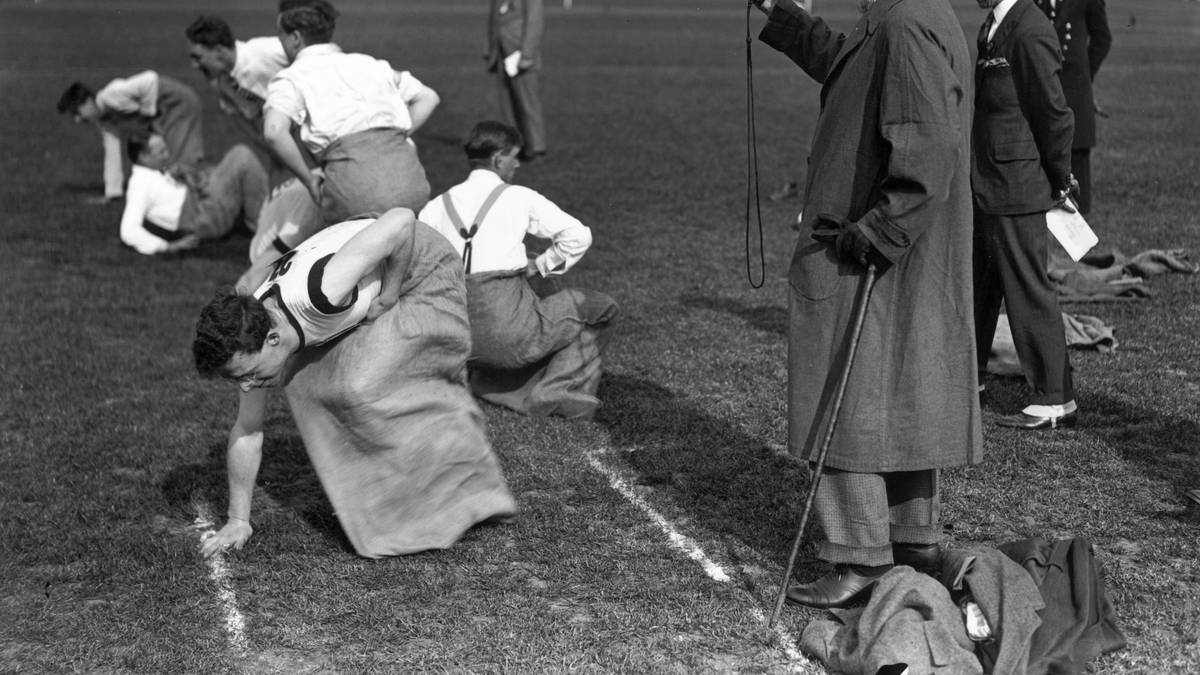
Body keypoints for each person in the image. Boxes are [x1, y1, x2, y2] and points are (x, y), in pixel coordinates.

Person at [751, 0, 981, 609]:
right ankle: (910, 540)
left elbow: (927, 148)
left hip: (878, 254)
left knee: (849, 397)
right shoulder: (905, 13)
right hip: (903, 257)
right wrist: (786, 14)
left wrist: (878, 231)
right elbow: (849, 70)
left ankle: (861, 556)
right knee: (894, 392)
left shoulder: (905, 21)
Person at [193, 208, 516, 558]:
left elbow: (401, 221)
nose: (247, 385)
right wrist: (238, 519)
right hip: (371, 266)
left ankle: (464, 487)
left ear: (272, 339)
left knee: (363, 384)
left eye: (248, 374)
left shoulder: (320, 292)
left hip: (421, 266)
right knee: (307, 387)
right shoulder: (253, 328)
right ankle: (389, 492)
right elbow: (247, 428)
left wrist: (390, 293)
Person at [420, 121, 618, 419]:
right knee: (600, 308)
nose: (518, 165)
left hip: (454, 341)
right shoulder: (519, 196)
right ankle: (555, 392)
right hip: (507, 336)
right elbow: (578, 236)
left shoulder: (435, 206)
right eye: (515, 157)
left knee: (531, 274)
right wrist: (540, 266)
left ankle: (489, 380)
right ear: (499, 158)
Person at [973, 0, 1079, 429]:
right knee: (979, 287)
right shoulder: (995, 24)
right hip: (988, 183)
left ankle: (1055, 397)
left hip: (1017, 185)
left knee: (1028, 288)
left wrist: (1058, 179)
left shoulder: (1030, 28)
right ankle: (969, 378)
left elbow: (1054, 114)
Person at [264, 0, 439, 223]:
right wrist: (396, 137)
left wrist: (309, 181)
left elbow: (273, 131)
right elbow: (428, 97)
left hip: (354, 194)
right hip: (412, 186)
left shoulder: (291, 78)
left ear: (295, 38)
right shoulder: (369, 63)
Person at [57, 72, 204, 203]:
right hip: (166, 111)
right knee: (173, 157)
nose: (77, 119)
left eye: (77, 112)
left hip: (178, 102)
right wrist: (112, 192)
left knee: (181, 156)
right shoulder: (103, 120)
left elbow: (149, 79)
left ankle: (198, 197)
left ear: (88, 102)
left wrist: (149, 114)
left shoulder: (110, 96)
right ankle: (190, 196)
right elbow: (112, 152)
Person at [184, 15, 292, 183]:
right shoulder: (223, 83)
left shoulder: (264, 52)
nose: (195, 65)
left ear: (219, 51)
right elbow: (244, 120)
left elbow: (318, 58)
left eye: (198, 57)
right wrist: (274, 151)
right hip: (289, 152)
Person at [118, 134, 267, 255]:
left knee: (235, 158)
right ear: (144, 157)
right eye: (161, 152)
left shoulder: (153, 172)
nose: (167, 155)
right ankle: (263, 228)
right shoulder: (139, 185)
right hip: (202, 217)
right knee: (242, 156)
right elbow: (128, 230)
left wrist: (183, 176)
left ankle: (263, 218)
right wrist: (167, 247)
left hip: (202, 202)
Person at [1033, 0, 1111, 214]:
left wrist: (1084, 76)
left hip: (1075, 93)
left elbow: (1102, 38)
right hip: (1042, 88)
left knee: (1077, 163)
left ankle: (1079, 232)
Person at [486, 0, 546, 161]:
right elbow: (494, 20)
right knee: (507, 105)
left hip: (519, 55)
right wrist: (490, 50)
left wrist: (528, 54)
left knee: (528, 103)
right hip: (501, 53)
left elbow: (535, 21)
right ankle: (515, 146)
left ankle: (537, 147)